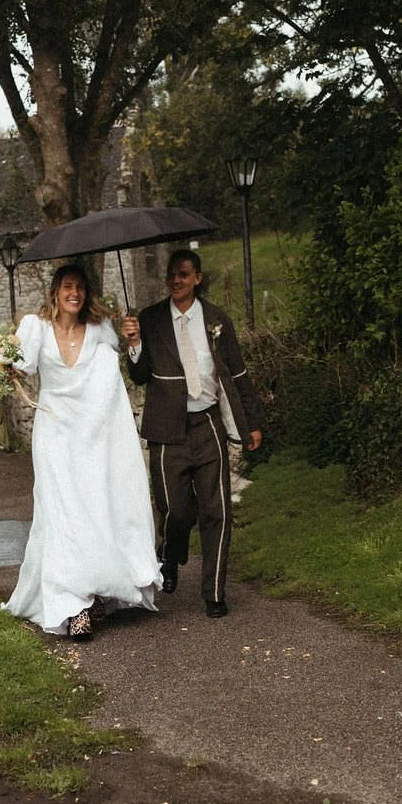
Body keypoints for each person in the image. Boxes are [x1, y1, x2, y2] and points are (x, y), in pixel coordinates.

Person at [2, 264, 161, 640]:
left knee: (95, 510)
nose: (74, 293)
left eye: (80, 288)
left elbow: (112, 382)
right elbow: (18, 366)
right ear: (56, 292)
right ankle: (73, 606)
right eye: (68, 287)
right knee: (61, 515)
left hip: (93, 435)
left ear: (86, 294)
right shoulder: (36, 328)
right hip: (55, 434)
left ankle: (98, 589)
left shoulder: (101, 330)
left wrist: (133, 340)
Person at [123, 249, 263, 619]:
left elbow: (237, 374)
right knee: (175, 509)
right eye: (172, 274)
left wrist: (252, 423)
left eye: (183, 274)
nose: (176, 280)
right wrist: (135, 345)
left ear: (197, 278)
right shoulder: (150, 320)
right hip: (167, 428)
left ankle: (214, 593)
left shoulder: (217, 320)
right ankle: (169, 555)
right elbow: (138, 376)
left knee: (216, 510)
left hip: (208, 424)